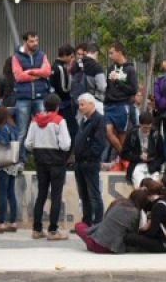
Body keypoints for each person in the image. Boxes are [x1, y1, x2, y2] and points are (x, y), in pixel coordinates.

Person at [25, 92, 71, 241]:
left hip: (40, 161)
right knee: (56, 196)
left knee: (41, 195)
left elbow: (27, 144)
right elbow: (65, 145)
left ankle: (37, 229)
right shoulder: (59, 121)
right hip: (57, 162)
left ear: (44, 105)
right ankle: (53, 230)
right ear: (57, 107)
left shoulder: (34, 121)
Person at [71, 94, 108, 227]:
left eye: (83, 104)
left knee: (94, 195)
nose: (80, 107)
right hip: (80, 163)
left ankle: (98, 223)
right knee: (84, 195)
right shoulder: (84, 120)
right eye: (79, 105)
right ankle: (86, 222)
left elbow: (99, 144)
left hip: (90, 163)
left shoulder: (99, 120)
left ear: (92, 104)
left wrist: (89, 157)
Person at [11, 31, 52, 139]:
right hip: (23, 98)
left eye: (36, 40)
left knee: (43, 128)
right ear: (25, 42)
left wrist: (29, 71)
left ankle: (41, 155)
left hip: (40, 97)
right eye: (32, 41)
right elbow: (19, 76)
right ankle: (20, 156)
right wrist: (38, 74)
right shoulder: (16, 57)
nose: (35, 43)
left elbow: (47, 72)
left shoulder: (42, 55)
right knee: (22, 131)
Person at [0, 105, 21, 233]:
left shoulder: (2, 128)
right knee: (11, 193)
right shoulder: (13, 127)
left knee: (2, 194)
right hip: (13, 163)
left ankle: (1, 222)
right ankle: (13, 221)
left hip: (3, 164)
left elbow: (3, 142)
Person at [124, 178, 166, 254]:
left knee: (130, 237)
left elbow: (152, 233)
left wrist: (141, 232)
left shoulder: (158, 207)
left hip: (165, 244)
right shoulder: (164, 201)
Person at [75, 191, 142, 254]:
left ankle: (90, 244)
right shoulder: (137, 213)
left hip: (98, 245)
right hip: (116, 247)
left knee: (79, 225)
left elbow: (105, 220)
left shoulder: (119, 203)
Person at [104, 42, 139, 148]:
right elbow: (108, 86)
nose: (110, 56)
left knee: (122, 135)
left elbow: (133, 89)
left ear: (119, 52)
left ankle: (124, 160)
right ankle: (123, 158)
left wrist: (118, 81)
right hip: (109, 105)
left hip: (122, 105)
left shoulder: (130, 69)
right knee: (108, 132)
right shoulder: (111, 69)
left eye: (112, 53)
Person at [119, 111, 164, 185]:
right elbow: (124, 154)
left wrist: (155, 164)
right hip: (137, 165)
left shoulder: (156, 135)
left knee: (154, 186)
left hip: (152, 166)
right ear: (140, 124)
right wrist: (138, 157)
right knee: (140, 184)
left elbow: (161, 156)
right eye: (145, 128)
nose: (147, 130)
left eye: (149, 127)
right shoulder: (132, 134)